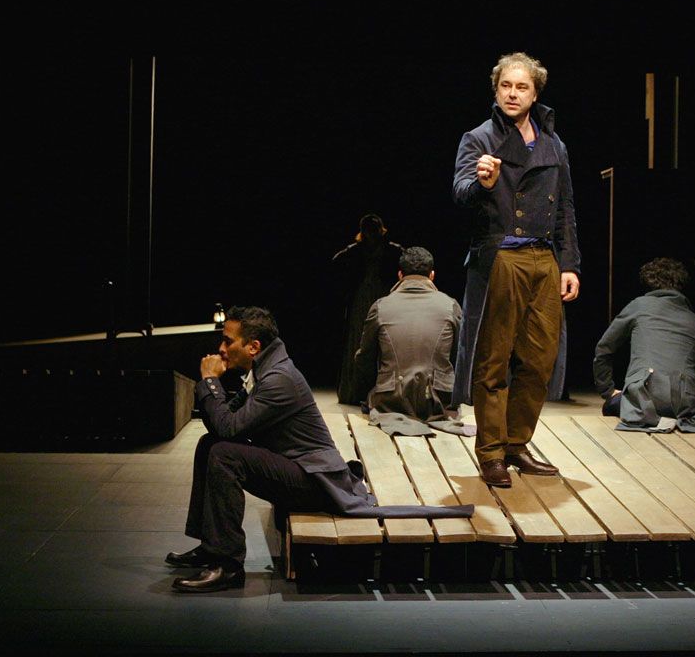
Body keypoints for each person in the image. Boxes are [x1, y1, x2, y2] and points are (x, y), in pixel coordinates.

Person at [166, 306, 472, 593]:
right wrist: (214, 389)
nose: (221, 349)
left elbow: (229, 428)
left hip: (316, 482)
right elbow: (224, 423)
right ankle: (212, 547)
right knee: (210, 445)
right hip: (296, 467)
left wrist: (210, 383)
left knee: (224, 454)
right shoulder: (265, 370)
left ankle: (228, 565)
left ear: (253, 347)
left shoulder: (278, 378)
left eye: (227, 341)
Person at [451, 51, 581, 488]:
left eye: (521, 87)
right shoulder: (479, 138)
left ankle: (516, 443)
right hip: (501, 256)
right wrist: (482, 182)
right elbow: (460, 191)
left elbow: (565, 209)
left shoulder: (553, 144)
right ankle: (491, 452)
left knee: (540, 360)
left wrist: (569, 264)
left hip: (544, 259)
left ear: (535, 93)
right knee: (494, 361)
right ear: (496, 90)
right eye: (505, 85)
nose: (512, 93)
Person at [593, 258, 695, 432]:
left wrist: (607, 390)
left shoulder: (639, 306)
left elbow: (604, 348)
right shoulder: (694, 319)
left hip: (645, 398)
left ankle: (651, 417)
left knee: (611, 405)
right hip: (685, 406)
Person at [353, 246, 464, 431]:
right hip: (438, 401)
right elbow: (460, 356)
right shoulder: (450, 305)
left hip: (392, 400)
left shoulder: (381, 306)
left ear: (400, 275)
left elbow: (364, 358)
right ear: (432, 275)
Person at [331, 214, 402, 404]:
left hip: (384, 295)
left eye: (374, 230)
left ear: (381, 230)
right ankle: (355, 392)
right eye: (368, 230)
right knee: (358, 341)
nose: (371, 234)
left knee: (384, 340)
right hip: (361, 298)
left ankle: (383, 391)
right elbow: (337, 261)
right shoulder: (356, 251)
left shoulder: (391, 250)